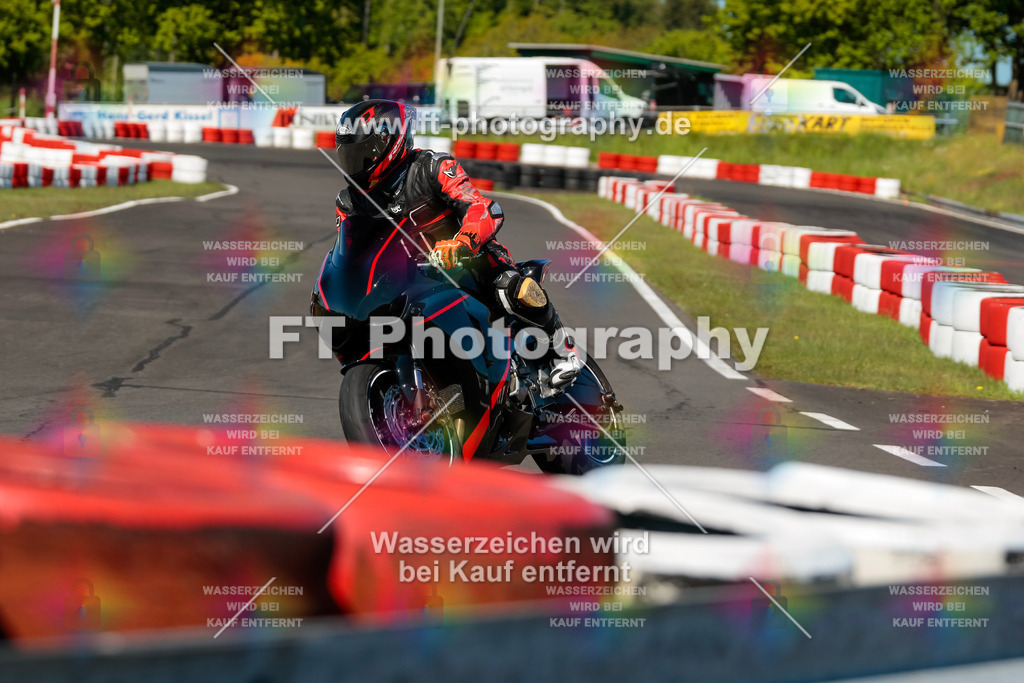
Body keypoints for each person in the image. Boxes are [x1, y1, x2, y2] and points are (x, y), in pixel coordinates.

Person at [333, 99, 582, 391]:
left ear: (390, 141)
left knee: (511, 287)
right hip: (405, 280)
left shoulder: (432, 168)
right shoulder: (348, 201)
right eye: (349, 154)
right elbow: (348, 251)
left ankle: (563, 352)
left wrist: (462, 243)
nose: (355, 162)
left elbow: (480, 207)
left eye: (362, 152)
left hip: (467, 263)